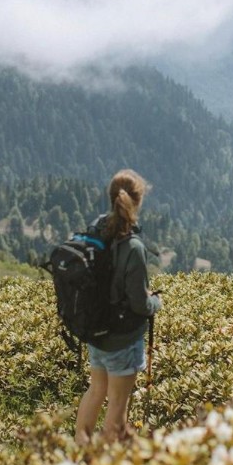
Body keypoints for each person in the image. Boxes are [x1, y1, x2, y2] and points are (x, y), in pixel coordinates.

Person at [75, 169, 162, 444]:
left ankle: (80, 449)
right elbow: (139, 302)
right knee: (117, 404)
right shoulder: (133, 246)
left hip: (96, 331)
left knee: (96, 390)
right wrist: (156, 302)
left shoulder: (96, 230)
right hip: (122, 338)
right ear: (138, 200)